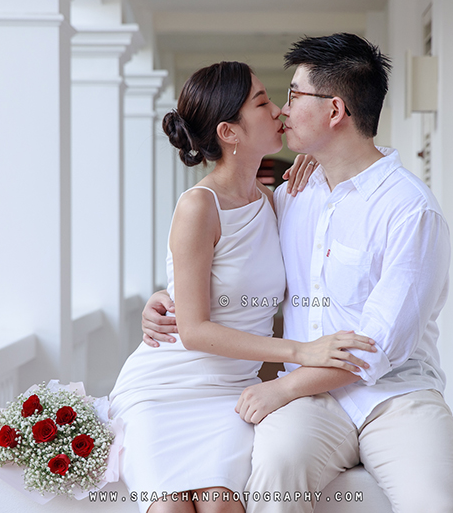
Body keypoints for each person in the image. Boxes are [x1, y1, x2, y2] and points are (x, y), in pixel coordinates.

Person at [142, 34, 453, 513]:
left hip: (396, 396)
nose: (282, 109)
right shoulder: (294, 196)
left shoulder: (409, 210)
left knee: (434, 503)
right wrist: (166, 298)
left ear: (334, 111)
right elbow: (233, 261)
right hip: (313, 408)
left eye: (293, 95)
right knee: (272, 477)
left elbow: (376, 347)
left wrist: (285, 385)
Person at [108, 61, 377, 513]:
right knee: (170, 507)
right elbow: (192, 331)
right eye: (261, 102)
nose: (278, 110)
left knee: (223, 506)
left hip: (230, 395)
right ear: (229, 132)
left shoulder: (275, 202)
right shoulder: (199, 205)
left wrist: (320, 153)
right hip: (166, 388)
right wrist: (301, 352)